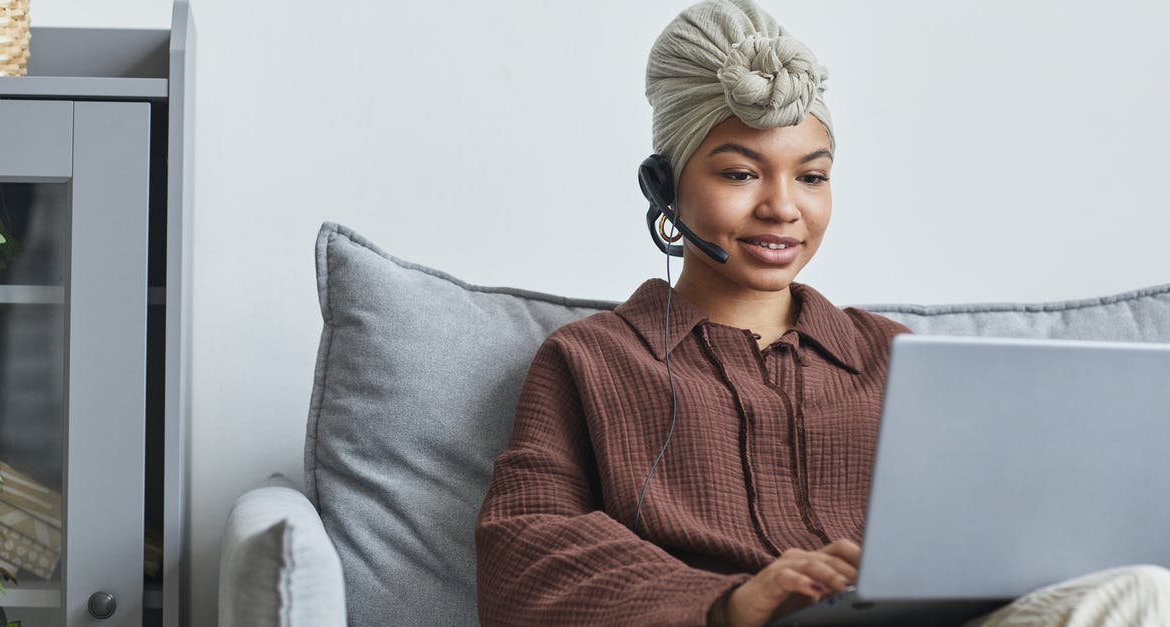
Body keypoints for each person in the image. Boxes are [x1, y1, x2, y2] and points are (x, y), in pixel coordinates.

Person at [474, 1, 1170, 625]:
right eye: (741, 173)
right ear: (665, 187)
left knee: (1144, 593)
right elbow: (524, 546)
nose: (783, 207)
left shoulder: (892, 357)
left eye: (811, 176)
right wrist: (727, 602)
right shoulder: (592, 359)